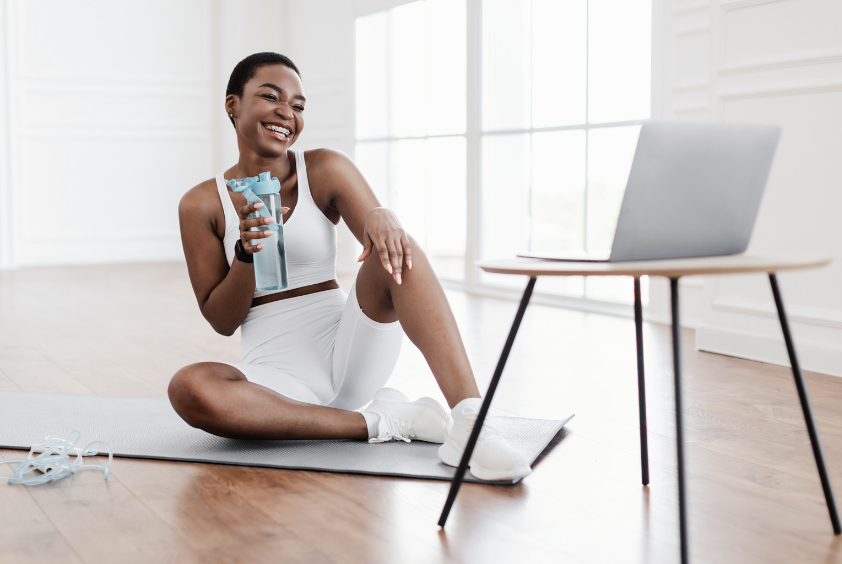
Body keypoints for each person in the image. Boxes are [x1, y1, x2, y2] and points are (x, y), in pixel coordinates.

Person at [168, 52, 529, 481]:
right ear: (233, 105)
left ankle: (472, 423)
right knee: (188, 389)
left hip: (348, 347)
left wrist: (382, 215)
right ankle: (388, 422)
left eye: (298, 106)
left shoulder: (323, 168)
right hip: (277, 375)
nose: (287, 112)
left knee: (398, 247)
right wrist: (247, 253)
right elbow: (222, 321)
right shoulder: (201, 204)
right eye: (271, 96)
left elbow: (387, 252)